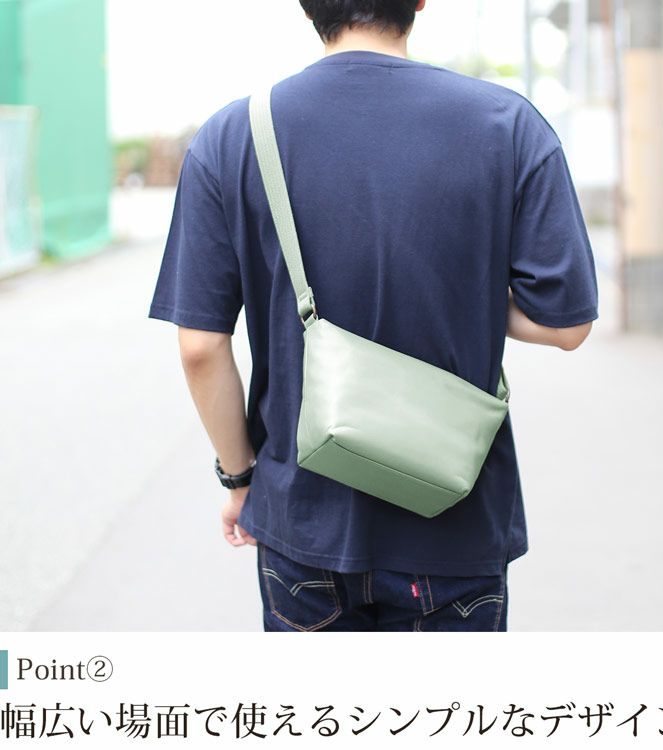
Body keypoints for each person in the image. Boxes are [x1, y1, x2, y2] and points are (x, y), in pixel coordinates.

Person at [148, 0, 598, 632]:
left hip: (302, 519)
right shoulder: (507, 124)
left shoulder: (233, 135)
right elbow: (565, 324)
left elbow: (200, 345)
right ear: (419, 1)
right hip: (453, 516)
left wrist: (239, 477)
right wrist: (464, 289)